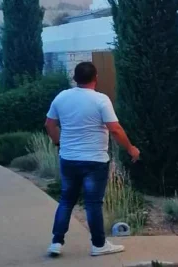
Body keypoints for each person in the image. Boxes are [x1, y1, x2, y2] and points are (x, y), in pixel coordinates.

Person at [44, 61, 140, 258]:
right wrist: (131, 148)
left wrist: (58, 143)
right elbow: (115, 129)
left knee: (66, 200)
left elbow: (49, 125)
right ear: (96, 77)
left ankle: (56, 242)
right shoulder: (101, 100)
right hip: (94, 161)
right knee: (93, 203)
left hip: (68, 159)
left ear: (75, 78)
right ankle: (99, 244)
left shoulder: (62, 97)